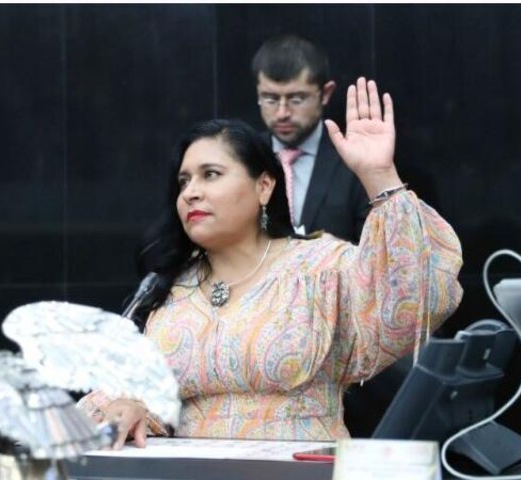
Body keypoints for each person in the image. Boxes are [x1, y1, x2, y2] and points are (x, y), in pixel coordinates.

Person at [78, 78, 463, 448]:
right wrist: (132, 408)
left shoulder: (319, 268)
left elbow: (415, 299)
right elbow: (142, 401)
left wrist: (379, 176)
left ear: (264, 186)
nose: (191, 192)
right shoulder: (171, 289)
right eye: (183, 182)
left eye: (210, 175)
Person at [252, 33, 369, 241]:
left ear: (325, 94)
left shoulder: (355, 160)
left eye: (296, 99)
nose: (282, 113)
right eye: (270, 99)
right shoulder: (244, 156)